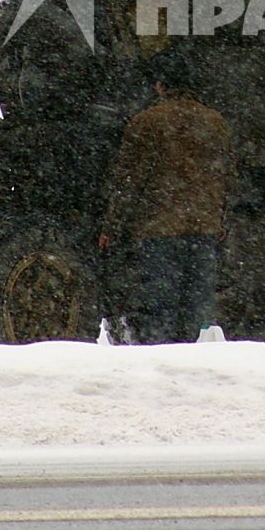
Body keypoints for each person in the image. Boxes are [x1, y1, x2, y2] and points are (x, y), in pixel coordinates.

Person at [99, 48, 232, 343]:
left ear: (160, 86)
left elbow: (128, 182)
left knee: (160, 307)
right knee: (198, 310)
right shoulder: (217, 123)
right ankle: (194, 365)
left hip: (158, 229)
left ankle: (163, 367)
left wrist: (112, 227)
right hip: (204, 228)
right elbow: (229, 178)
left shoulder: (145, 123)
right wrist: (220, 218)